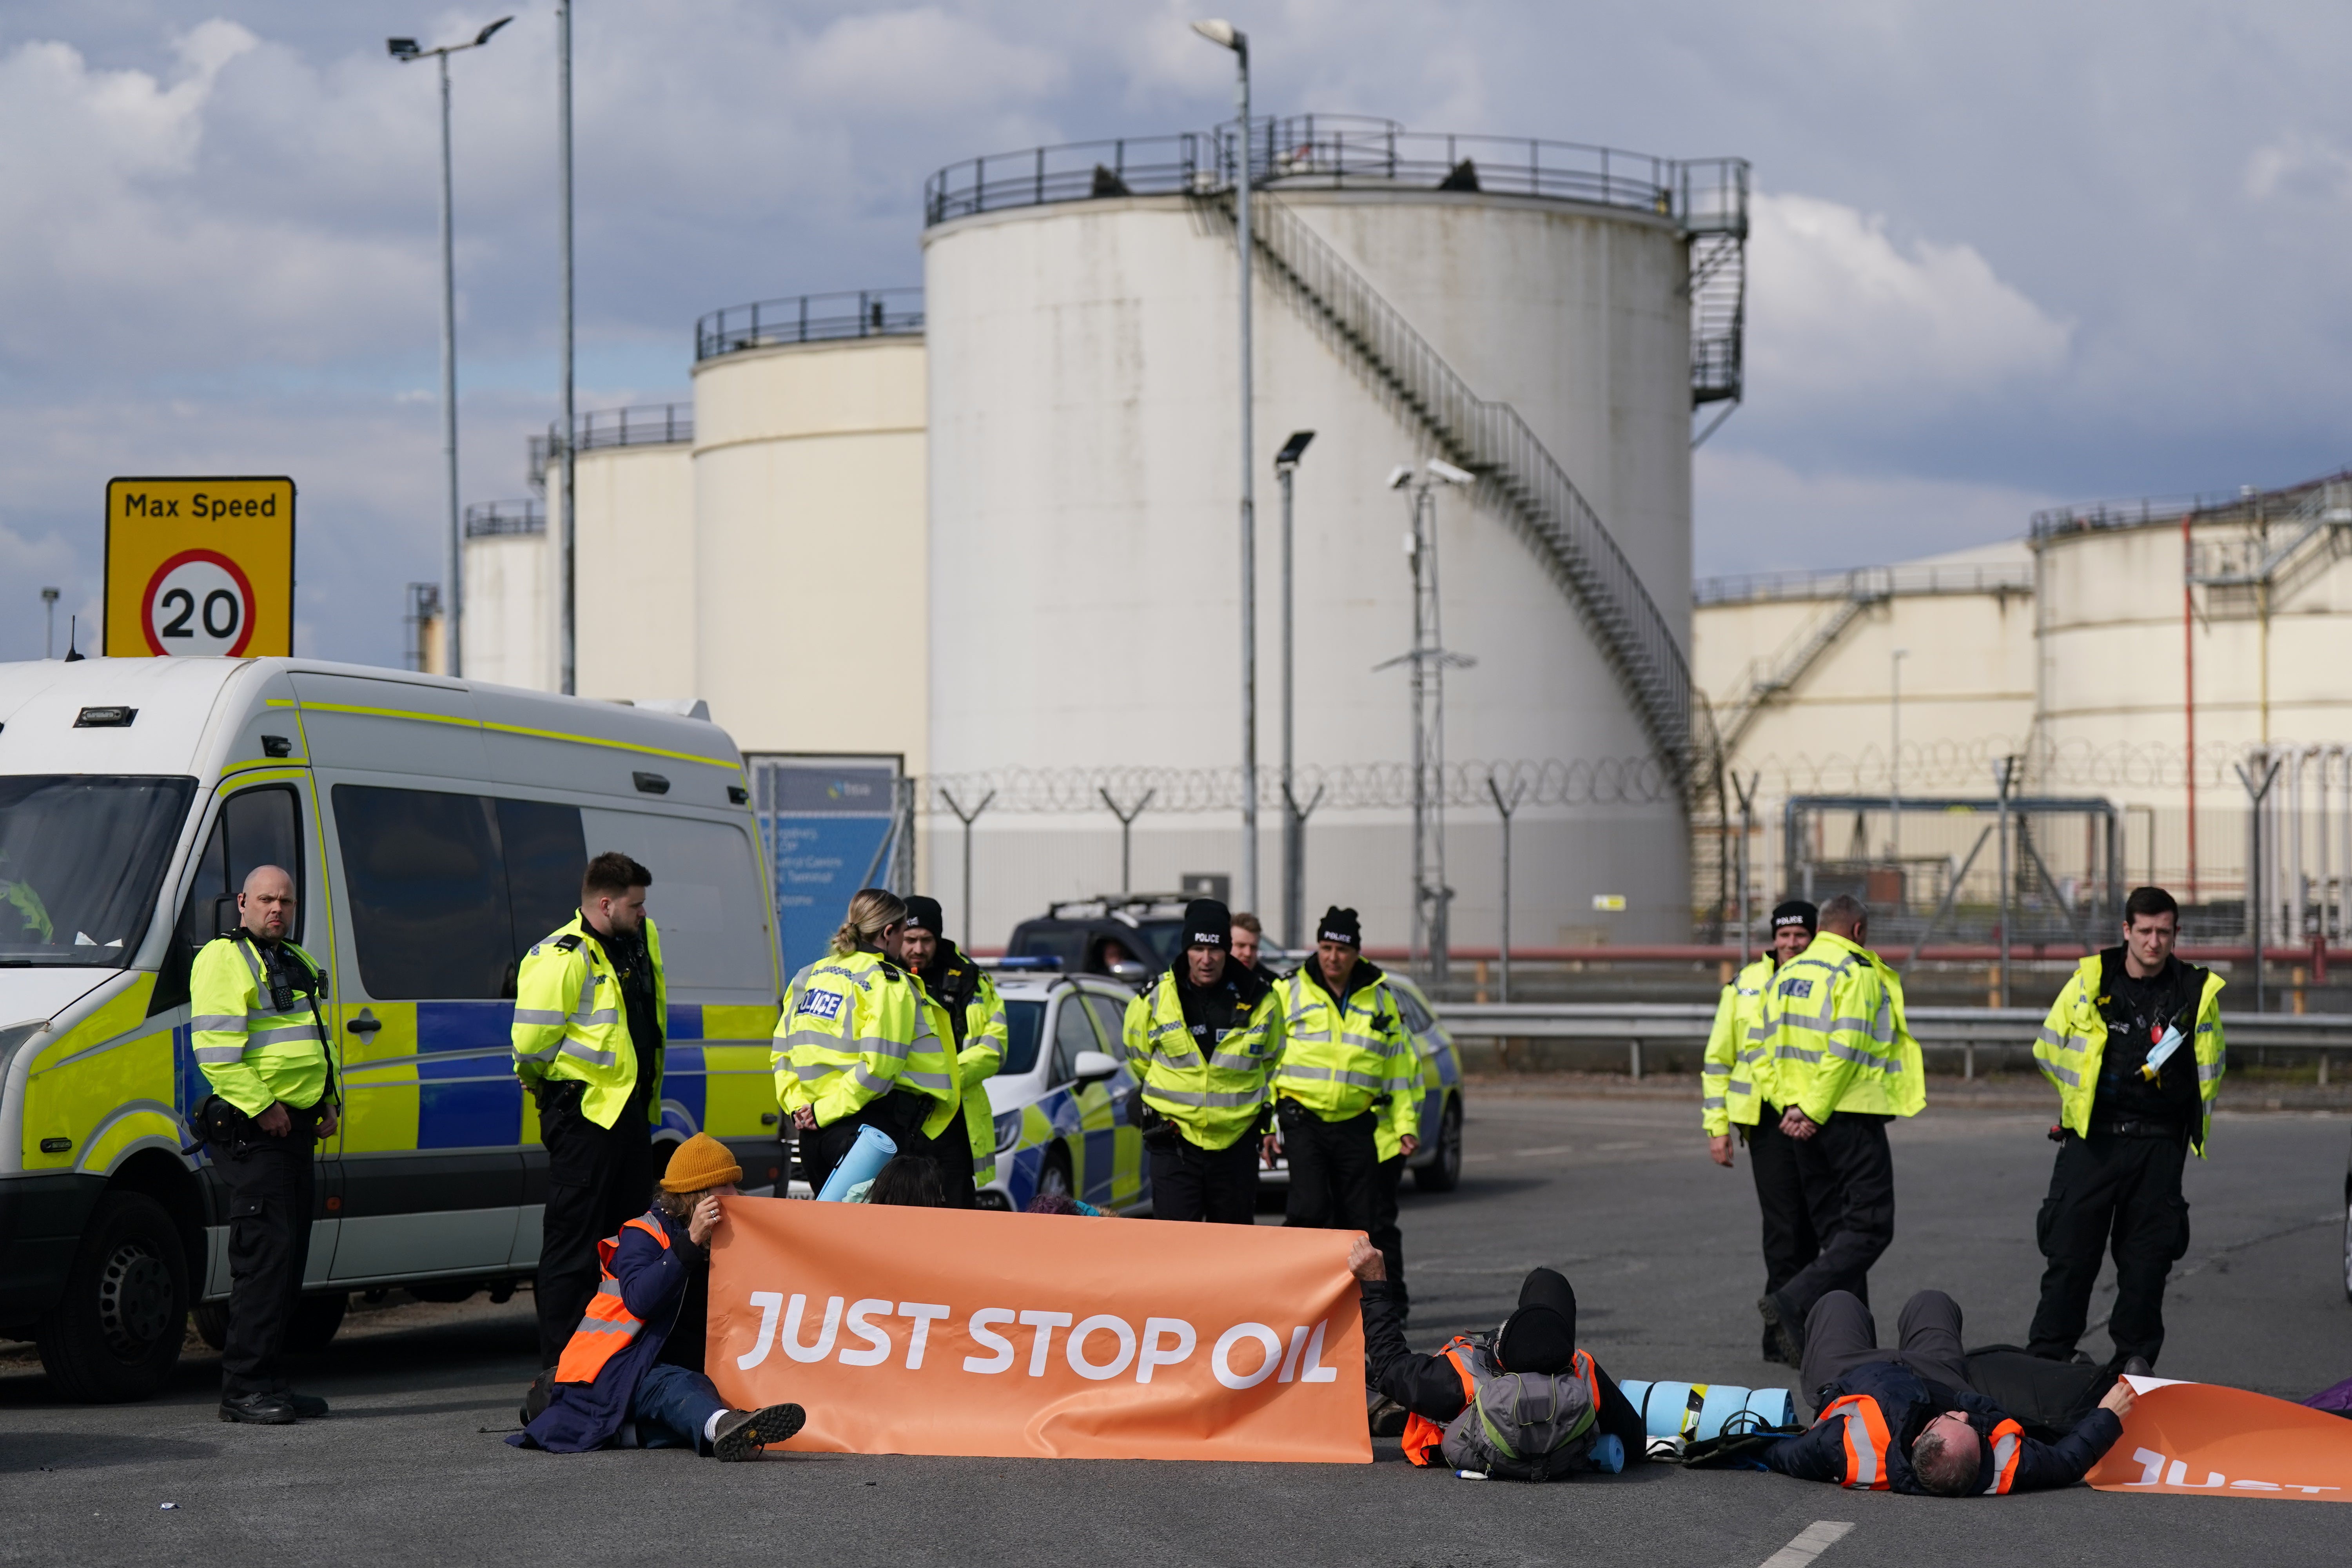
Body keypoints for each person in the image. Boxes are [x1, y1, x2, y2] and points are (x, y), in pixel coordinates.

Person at [2026, 886, 2226, 1370]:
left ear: (2176, 933)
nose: (2154, 942)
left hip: (2158, 1146)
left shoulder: (2196, 993)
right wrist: (2089, 1092)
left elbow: (2212, 1065)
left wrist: (2178, 1103)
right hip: (2092, 1141)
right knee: (2070, 1255)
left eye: (2163, 932)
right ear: (2127, 931)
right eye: (2145, 931)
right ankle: (2049, 1360)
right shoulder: (2091, 981)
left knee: (2146, 1265)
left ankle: (2134, 1365)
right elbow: (2048, 1048)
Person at [512, 1134, 804, 1459]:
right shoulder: (643, 1233)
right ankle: (723, 1427)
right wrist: (690, 1242)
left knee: (690, 1405)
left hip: (672, 1368)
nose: (736, 1196)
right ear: (697, 1197)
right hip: (619, 1365)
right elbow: (641, 1300)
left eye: (736, 1187)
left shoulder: (726, 1237)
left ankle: (630, 1432)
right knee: (679, 1387)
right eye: (725, 1191)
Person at [191, 864, 337, 1425]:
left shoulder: (293, 960)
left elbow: (316, 1040)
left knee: (288, 1263)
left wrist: (329, 1099)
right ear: (242, 903)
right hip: (259, 1133)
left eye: (287, 901)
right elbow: (217, 1051)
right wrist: (263, 1107)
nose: (278, 909)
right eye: (268, 901)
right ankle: (244, 1387)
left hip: (295, 1129)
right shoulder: (222, 960)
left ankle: (271, 1380)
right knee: (263, 1263)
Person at [512, 852, 668, 1373]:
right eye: (635, 905)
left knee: (629, 1243)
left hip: (628, 1117)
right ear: (606, 903)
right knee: (572, 1248)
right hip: (583, 1118)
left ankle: (617, 1358)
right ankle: (562, 1368)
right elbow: (531, 1045)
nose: (643, 913)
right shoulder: (564, 955)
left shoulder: (637, 945)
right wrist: (548, 1091)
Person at [1755, 894, 1924, 1365]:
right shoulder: (1855, 972)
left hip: (1801, 1127)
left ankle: (1850, 1342)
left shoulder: (1785, 974)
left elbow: (1764, 1053)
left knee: (1839, 1238)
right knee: (1870, 1229)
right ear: (1857, 931)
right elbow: (1845, 1048)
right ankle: (1793, 1299)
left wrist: (1792, 1108)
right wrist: (1812, 1108)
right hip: (1847, 1116)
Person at [1763, 1288, 2132, 1495]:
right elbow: (2069, 1461)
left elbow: (1783, 1453)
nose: (1966, 1415)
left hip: (1852, 1375)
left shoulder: (1843, 1448)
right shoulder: (2001, 1463)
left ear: (1922, 1435)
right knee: (1931, 1302)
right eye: (1970, 1426)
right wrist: (2110, 1415)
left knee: (1838, 1303)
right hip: (1938, 1379)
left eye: (1953, 1419)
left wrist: (1737, 1441)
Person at [1348, 1238, 1648, 1471]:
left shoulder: (1460, 1380)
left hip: (1445, 1416)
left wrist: (1375, 1283)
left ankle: (1386, 1402)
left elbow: (1389, 1365)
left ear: (1499, 1345)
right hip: (1539, 1447)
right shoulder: (1584, 1374)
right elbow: (1635, 1443)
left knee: (1385, 1380)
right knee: (1549, 1283)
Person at [772, 888, 967, 1205]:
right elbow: (879, 1067)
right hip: (867, 1137)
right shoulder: (887, 982)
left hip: (811, 1135)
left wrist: (800, 1109)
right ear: (889, 932)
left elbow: (782, 1053)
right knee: (879, 1243)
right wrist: (822, 1113)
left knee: (833, 1241)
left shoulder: (808, 975)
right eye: (904, 933)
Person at [1703, 899, 1820, 1361]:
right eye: (1784, 935)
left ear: (1813, 936)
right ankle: (1781, 1334)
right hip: (1764, 1123)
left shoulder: (1826, 978)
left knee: (1815, 1227)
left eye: (1800, 935)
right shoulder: (1745, 983)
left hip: (1813, 1116)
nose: (1791, 943)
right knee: (1783, 1229)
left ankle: (1811, 1327)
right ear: (1773, 938)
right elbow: (1718, 1059)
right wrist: (1717, 1128)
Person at [1118, 897, 1283, 1223]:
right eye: (1197, 949)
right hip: (1174, 1142)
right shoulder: (1153, 999)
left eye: (1215, 950)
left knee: (1231, 1252)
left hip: (1236, 1145)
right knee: (1175, 1251)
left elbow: (1270, 1060)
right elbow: (1139, 1059)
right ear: (1185, 950)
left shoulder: (1262, 999)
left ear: (1226, 951)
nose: (1206, 960)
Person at [1270, 907, 1418, 1243]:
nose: (1332, 958)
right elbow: (1265, 1063)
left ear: (1356, 954)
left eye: (1342, 950)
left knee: (1360, 1223)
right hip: (1304, 1119)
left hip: (1357, 1122)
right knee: (1309, 1210)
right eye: (1326, 948)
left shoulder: (1381, 999)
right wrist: (1267, 1123)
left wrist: (1405, 1125)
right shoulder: (1288, 991)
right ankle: (1294, 1292)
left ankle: (1354, 1296)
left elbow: (1397, 1071)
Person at [897, 895, 1008, 1196]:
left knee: (957, 1216)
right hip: (899, 1117)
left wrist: (938, 1080)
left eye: (926, 940)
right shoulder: (884, 975)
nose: (918, 949)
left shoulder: (971, 979)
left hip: (955, 1122)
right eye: (910, 939)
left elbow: (993, 1049)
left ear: (938, 938)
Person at [1229, 912, 1279, 981]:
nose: (1248, 953)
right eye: (1241, 946)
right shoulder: (1211, 981)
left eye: (1253, 947)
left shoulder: (1272, 984)